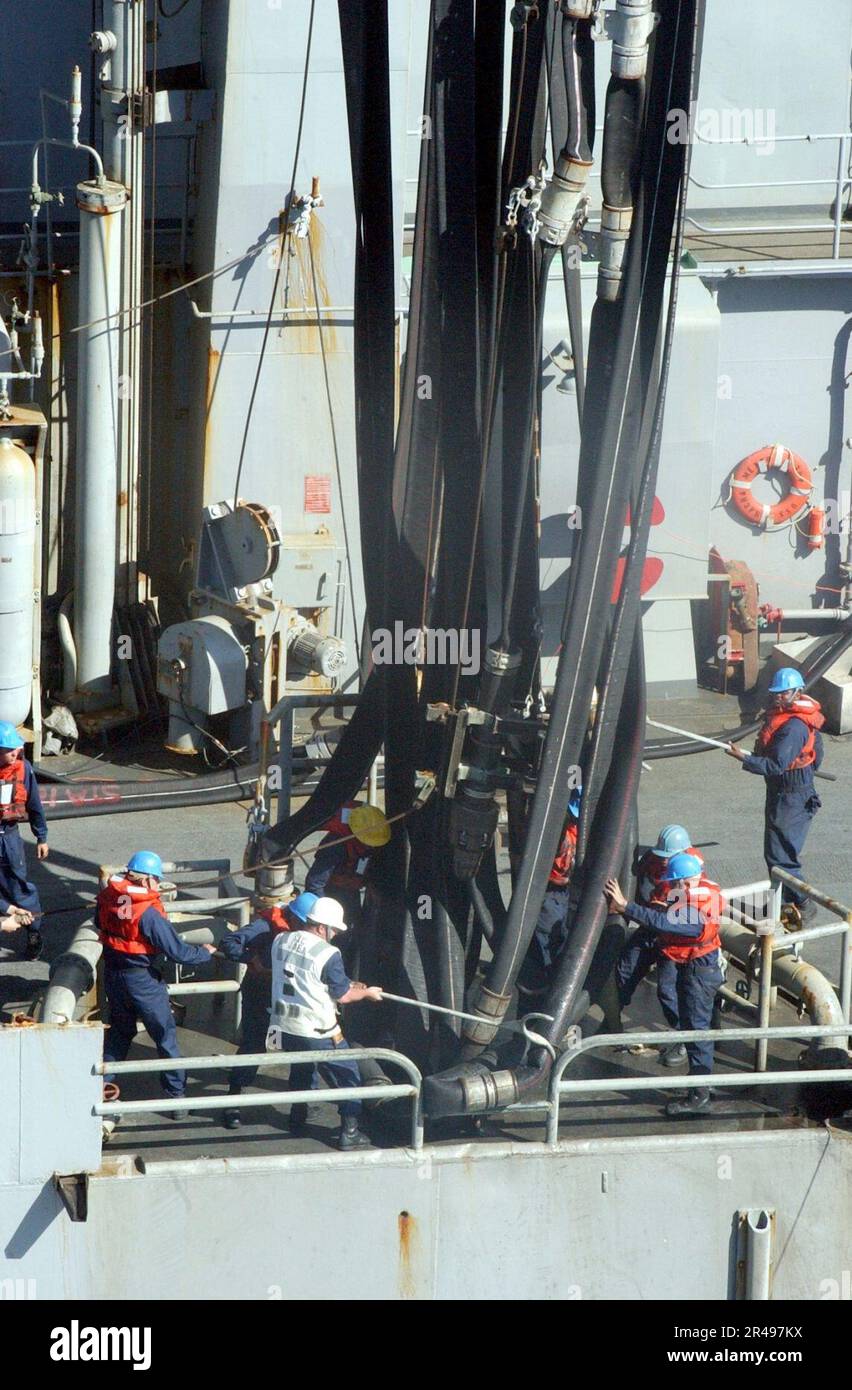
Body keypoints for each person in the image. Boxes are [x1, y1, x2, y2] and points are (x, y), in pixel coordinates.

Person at [605, 852, 725, 1119]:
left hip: (699, 972)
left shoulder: (697, 909)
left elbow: (665, 921)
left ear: (685, 882)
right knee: (696, 1028)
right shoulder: (698, 891)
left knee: (696, 1031)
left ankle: (700, 1096)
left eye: (675, 883)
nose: (672, 888)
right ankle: (702, 1082)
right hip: (697, 968)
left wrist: (626, 906)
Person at [98, 850, 216, 1115]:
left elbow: (99, 923)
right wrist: (204, 954)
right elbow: (178, 952)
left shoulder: (109, 897)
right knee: (164, 1035)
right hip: (143, 981)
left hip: (113, 976)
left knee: (119, 1031)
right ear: (149, 880)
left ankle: (102, 1087)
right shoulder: (148, 913)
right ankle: (176, 1098)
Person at [267, 895, 383, 1150]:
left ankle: (297, 1119)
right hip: (317, 1030)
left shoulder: (280, 940)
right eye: (333, 930)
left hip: (282, 1027)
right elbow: (342, 995)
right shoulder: (328, 953)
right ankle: (349, 1132)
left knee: (301, 1068)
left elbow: (301, 976)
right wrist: (366, 993)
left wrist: (343, 981)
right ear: (321, 927)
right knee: (348, 1074)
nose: (334, 935)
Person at [727, 667, 824, 927]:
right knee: (776, 852)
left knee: (781, 857)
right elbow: (818, 755)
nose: (778, 698)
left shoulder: (793, 728)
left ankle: (802, 903)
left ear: (796, 692)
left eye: (783, 694)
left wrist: (745, 759)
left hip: (790, 795)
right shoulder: (800, 719)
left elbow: (775, 765)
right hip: (790, 790)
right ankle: (784, 900)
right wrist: (803, 770)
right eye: (776, 694)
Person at [218, 889, 317, 1130]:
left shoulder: (309, 932)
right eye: (307, 924)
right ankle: (234, 1098)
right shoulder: (264, 927)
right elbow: (229, 942)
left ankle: (300, 1106)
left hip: (291, 996)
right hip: (260, 992)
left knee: (303, 1047)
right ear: (294, 919)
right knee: (254, 1044)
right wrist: (251, 959)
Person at [615, 824, 704, 1068]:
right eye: (662, 857)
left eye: (668, 858)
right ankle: (612, 1020)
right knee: (625, 968)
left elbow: (674, 921)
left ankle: (685, 1037)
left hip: (674, 939)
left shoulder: (691, 876)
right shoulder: (652, 861)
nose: (664, 863)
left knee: (668, 990)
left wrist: (630, 909)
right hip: (651, 925)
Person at [519, 789, 581, 996]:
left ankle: (556, 977)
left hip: (565, 891)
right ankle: (547, 981)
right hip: (549, 890)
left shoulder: (574, 828)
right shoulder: (556, 830)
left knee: (561, 933)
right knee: (547, 937)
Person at [0, 722, 48, 960]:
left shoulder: (23, 769)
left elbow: (34, 805)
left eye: (16, 749)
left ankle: (34, 932)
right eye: (9, 749)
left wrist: (41, 837)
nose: (15, 753)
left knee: (18, 887)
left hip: (9, 837)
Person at [305, 802, 390, 926]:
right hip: (331, 894)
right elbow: (314, 884)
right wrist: (325, 915)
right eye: (369, 841)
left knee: (355, 926)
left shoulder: (374, 841)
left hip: (351, 891)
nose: (372, 845)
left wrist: (372, 885)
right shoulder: (335, 846)